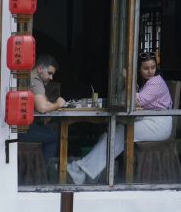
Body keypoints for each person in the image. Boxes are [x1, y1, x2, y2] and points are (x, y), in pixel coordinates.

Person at [69, 52, 174, 184]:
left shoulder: (156, 82)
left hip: (158, 125)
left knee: (118, 133)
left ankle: (82, 170)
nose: (150, 71)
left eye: (153, 67)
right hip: (149, 120)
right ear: (139, 69)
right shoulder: (144, 83)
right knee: (113, 133)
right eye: (146, 68)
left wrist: (127, 79)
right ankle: (88, 172)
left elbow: (135, 101)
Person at [24, 54, 68, 166]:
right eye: (49, 73)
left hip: (17, 127)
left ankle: (36, 170)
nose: (51, 78)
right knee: (53, 137)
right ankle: (41, 173)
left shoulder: (27, 77)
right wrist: (58, 104)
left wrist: (50, 104)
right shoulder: (35, 81)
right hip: (21, 130)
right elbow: (42, 107)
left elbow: (44, 101)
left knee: (48, 130)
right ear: (39, 69)